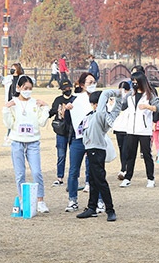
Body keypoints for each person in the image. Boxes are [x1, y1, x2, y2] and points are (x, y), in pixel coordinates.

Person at [2, 75, 51, 213]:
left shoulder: (35, 103)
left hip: (33, 142)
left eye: (30, 88)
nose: (28, 91)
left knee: (36, 171)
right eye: (25, 88)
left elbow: (41, 122)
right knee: (20, 173)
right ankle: (23, 200)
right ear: (18, 88)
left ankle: (40, 200)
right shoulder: (13, 103)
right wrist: (6, 109)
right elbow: (9, 124)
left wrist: (45, 108)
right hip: (17, 141)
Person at [76, 89, 122, 222]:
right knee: (92, 180)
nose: (94, 106)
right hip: (90, 149)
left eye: (96, 103)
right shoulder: (91, 115)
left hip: (97, 149)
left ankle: (110, 209)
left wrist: (117, 94)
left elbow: (108, 98)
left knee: (100, 180)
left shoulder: (102, 115)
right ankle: (92, 207)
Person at [120, 71, 159, 188]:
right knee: (130, 155)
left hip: (144, 130)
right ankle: (127, 177)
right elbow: (122, 106)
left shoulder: (149, 95)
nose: (134, 84)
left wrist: (148, 107)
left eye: (136, 82)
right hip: (131, 130)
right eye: (132, 82)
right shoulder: (130, 95)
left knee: (146, 155)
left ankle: (150, 178)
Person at [65, 72, 96, 212]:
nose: (92, 85)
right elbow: (68, 120)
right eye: (89, 82)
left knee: (96, 170)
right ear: (82, 85)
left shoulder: (99, 98)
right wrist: (67, 110)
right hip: (78, 139)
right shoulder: (76, 99)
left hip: (94, 139)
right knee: (73, 171)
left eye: (94, 82)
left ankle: (98, 200)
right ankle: (72, 200)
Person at [49, 78, 76, 186]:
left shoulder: (75, 99)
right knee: (61, 155)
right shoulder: (58, 100)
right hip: (61, 131)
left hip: (73, 131)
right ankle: (60, 177)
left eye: (69, 88)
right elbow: (51, 112)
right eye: (65, 88)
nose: (67, 90)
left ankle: (73, 177)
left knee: (74, 156)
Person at [0, 63, 24, 146]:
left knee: (18, 119)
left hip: (18, 102)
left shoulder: (22, 78)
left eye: (13, 68)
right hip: (9, 102)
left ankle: (14, 136)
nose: (12, 70)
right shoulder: (9, 78)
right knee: (9, 119)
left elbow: (31, 82)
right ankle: (9, 136)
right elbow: (2, 81)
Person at [114, 81, 130, 180]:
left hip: (127, 128)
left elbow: (124, 107)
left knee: (126, 150)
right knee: (121, 149)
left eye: (124, 89)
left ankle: (125, 169)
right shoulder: (115, 98)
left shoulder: (130, 98)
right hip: (118, 127)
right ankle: (123, 167)